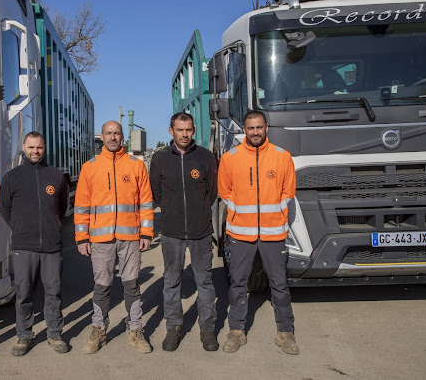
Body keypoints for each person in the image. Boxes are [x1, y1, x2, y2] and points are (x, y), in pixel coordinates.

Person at [217, 110, 299, 355]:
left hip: (273, 233)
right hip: (241, 234)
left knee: (279, 283)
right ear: (244, 129)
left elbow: (288, 192)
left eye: (259, 127)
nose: (255, 132)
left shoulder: (282, 157)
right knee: (238, 282)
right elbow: (225, 192)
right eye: (250, 128)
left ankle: (285, 332)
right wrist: (243, 217)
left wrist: (274, 218)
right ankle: (236, 331)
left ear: (266, 127)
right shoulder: (230, 158)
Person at [74, 120, 154, 354]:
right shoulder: (90, 166)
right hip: (100, 240)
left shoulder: (135, 165)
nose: (112, 137)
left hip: (129, 237)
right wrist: (82, 238)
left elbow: (146, 202)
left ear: (122, 137)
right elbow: (81, 205)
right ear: (101, 137)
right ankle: (99, 330)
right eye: (108, 134)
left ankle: (135, 331)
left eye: (116, 133)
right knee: (102, 287)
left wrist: (147, 233)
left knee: (132, 285)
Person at [149, 112, 219, 352]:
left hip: (201, 232)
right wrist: (170, 210)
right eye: (180, 130)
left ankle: (208, 329)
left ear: (193, 130)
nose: (185, 134)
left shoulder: (205, 157)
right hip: (171, 233)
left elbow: (212, 192)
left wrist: (198, 212)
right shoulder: (159, 159)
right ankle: (173, 328)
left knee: (205, 282)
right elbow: (156, 193)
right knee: (171, 282)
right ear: (171, 131)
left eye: (188, 130)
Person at [0, 132, 69, 356]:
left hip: (51, 246)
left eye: (39, 147)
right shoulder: (12, 177)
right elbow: (5, 208)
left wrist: (52, 227)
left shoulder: (56, 175)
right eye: (31, 147)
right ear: (23, 147)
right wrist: (20, 229)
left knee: (53, 291)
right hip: (23, 246)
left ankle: (55, 333)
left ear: (44, 147)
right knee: (24, 292)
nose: (35, 151)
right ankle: (24, 335)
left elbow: (62, 206)